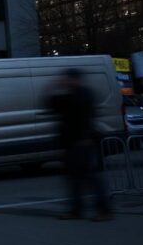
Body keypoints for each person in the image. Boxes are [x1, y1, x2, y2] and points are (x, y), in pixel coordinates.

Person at [47, 68, 112, 221]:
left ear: (73, 79)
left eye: (67, 79)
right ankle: (79, 209)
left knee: (89, 177)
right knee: (76, 178)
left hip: (81, 142)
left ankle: (102, 210)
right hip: (74, 142)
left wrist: (54, 87)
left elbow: (54, 105)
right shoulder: (78, 94)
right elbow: (53, 105)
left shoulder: (80, 95)